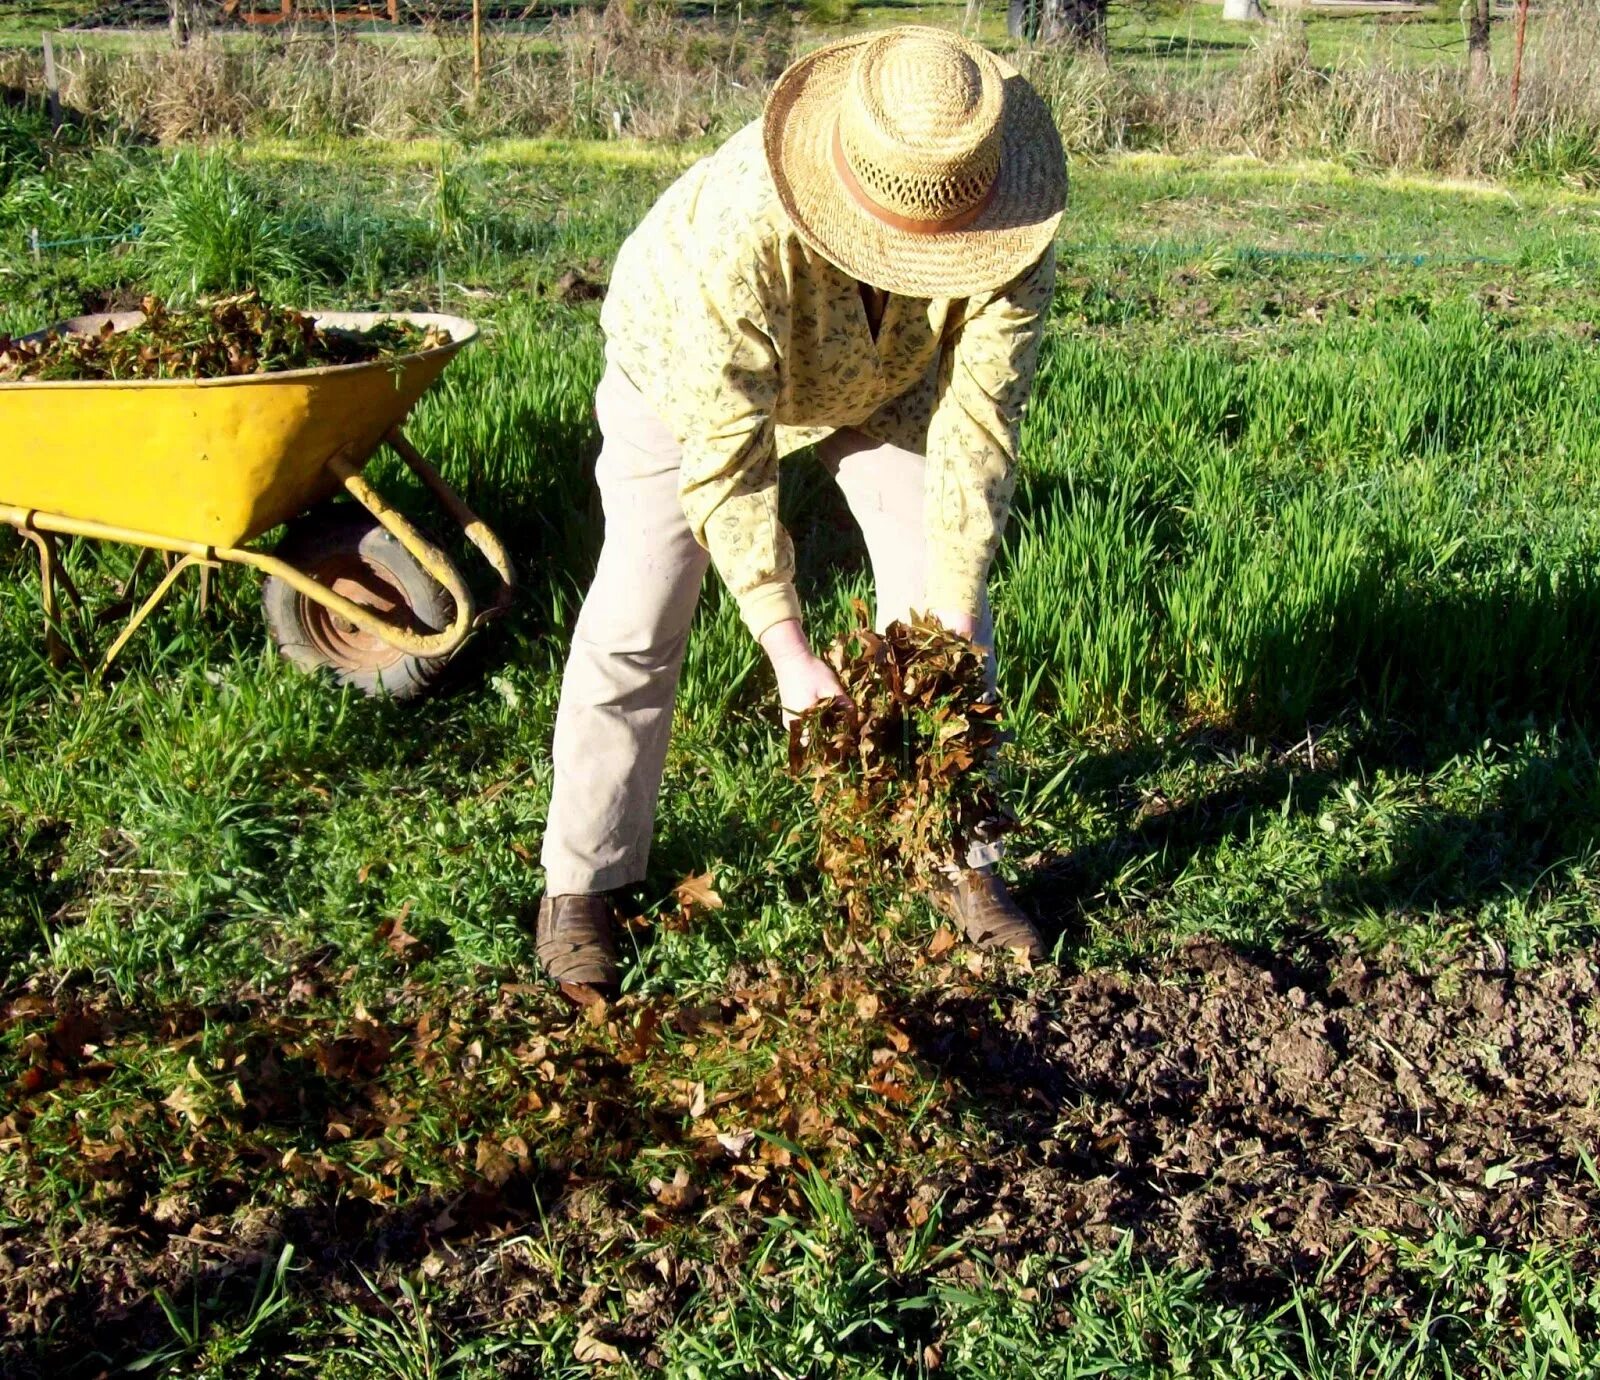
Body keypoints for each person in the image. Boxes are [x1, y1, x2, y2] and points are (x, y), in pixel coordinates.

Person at [536, 25, 1067, 992]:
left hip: (883, 384)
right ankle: (585, 881)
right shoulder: (730, 242)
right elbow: (728, 467)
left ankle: (959, 857)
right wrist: (790, 653)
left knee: (954, 619)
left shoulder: (1006, 217)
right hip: (687, 379)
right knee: (640, 610)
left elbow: (979, 425)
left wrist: (947, 615)